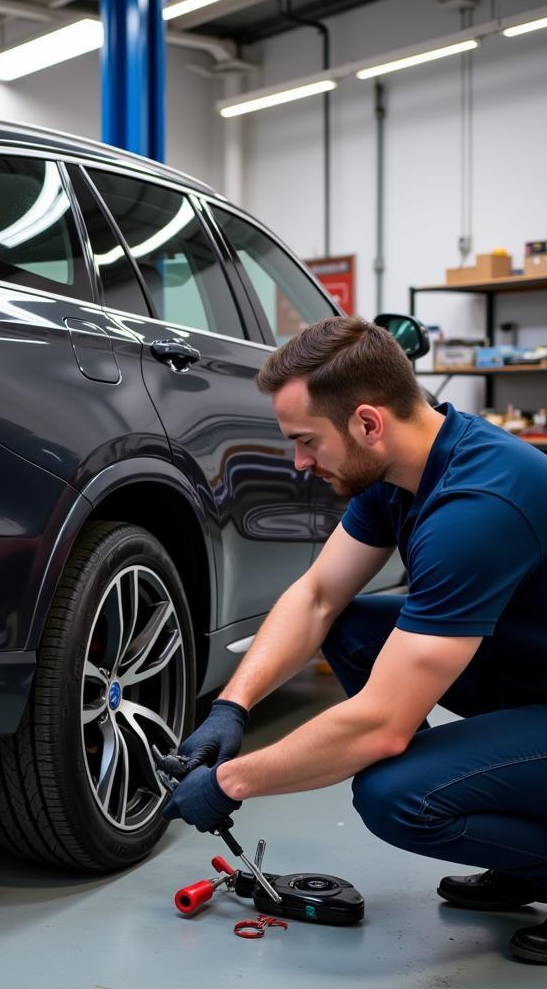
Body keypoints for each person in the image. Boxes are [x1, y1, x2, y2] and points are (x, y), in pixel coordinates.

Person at [157, 315, 547, 965]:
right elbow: (317, 597)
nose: (300, 463)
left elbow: (382, 730)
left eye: (307, 441)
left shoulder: (476, 509)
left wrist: (233, 780)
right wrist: (232, 706)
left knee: (397, 793)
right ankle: (509, 827)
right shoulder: (400, 473)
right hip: (532, 672)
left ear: (368, 423)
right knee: (354, 624)